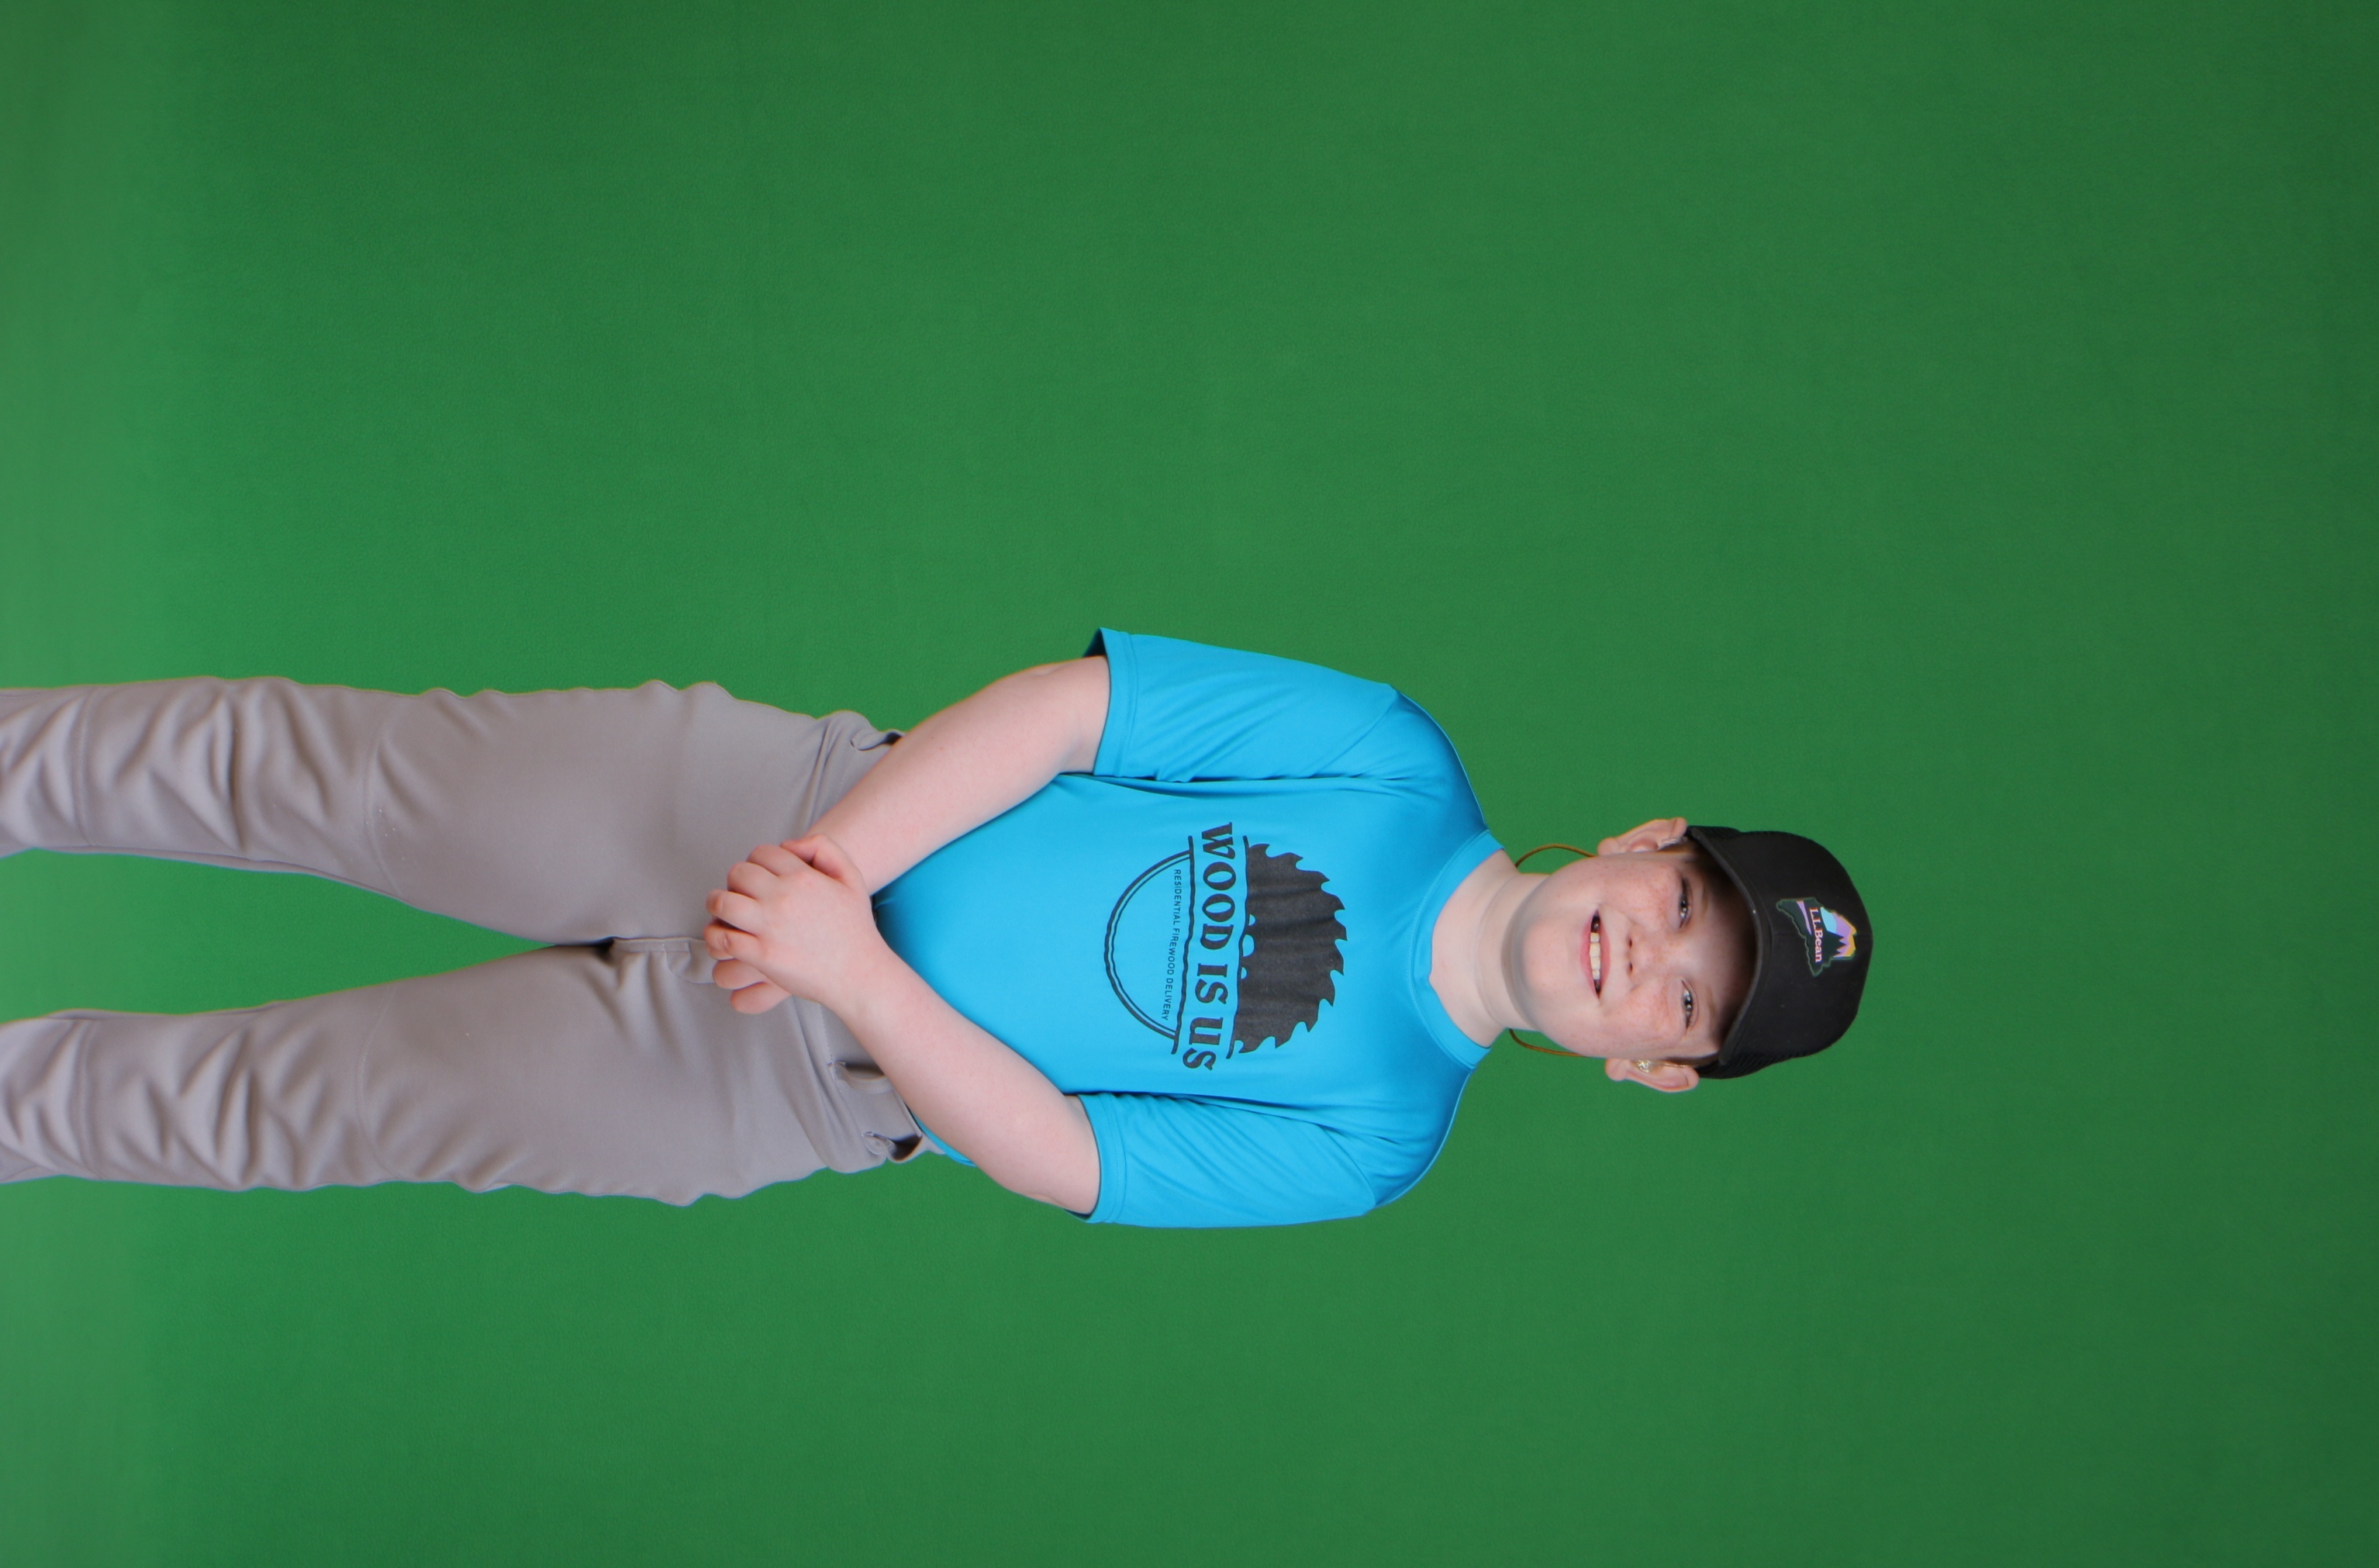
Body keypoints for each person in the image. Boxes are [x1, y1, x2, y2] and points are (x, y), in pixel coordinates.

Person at [0, 632, 1869, 1227]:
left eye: (1687, 1001)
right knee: (304, 774)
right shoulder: (1388, 755)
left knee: (282, 1107)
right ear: (1648, 841)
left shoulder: (1379, 1136)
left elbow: (1066, 1156)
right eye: (1679, 906)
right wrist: (828, 874)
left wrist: (848, 973)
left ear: (1655, 1069)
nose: (1648, 954)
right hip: (769, 802)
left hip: (781, 1081)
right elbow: (1072, 713)